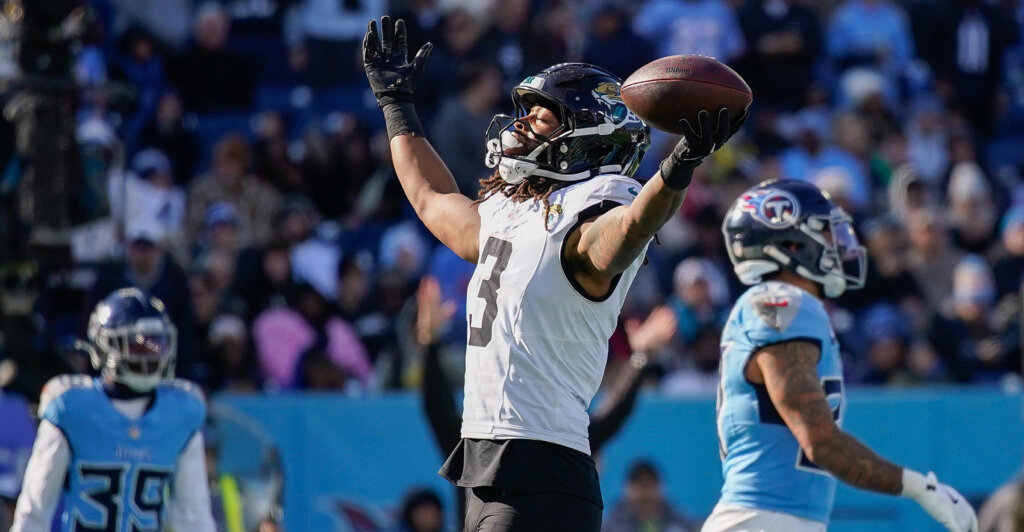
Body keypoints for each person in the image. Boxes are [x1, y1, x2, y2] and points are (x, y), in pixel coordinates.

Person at [363, 16, 745, 531]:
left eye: (541, 117)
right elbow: (432, 198)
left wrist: (677, 166)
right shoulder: (511, 210)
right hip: (484, 466)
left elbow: (627, 230)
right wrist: (396, 106)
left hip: (541, 473)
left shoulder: (599, 205)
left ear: (585, 138)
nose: (519, 125)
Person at [706, 179, 977, 532]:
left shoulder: (794, 308)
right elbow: (819, 441)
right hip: (762, 519)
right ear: (790, 243)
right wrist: (922, 489)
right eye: (826, 233)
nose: (840, 245)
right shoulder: (781, 302)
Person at [11, 287, 216, 531]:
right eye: (138, 344)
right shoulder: (72, 408)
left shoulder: (181, 412)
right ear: (106, 346)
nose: (151, 354)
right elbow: (34, 512)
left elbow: (194, 517)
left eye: (157, 343)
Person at [603, 460, 694, 532]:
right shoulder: (608, 527)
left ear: (661, 487)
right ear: (627, 489)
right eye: (639, 484)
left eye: (649, 484)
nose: (645, 493)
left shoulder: (683, 525)